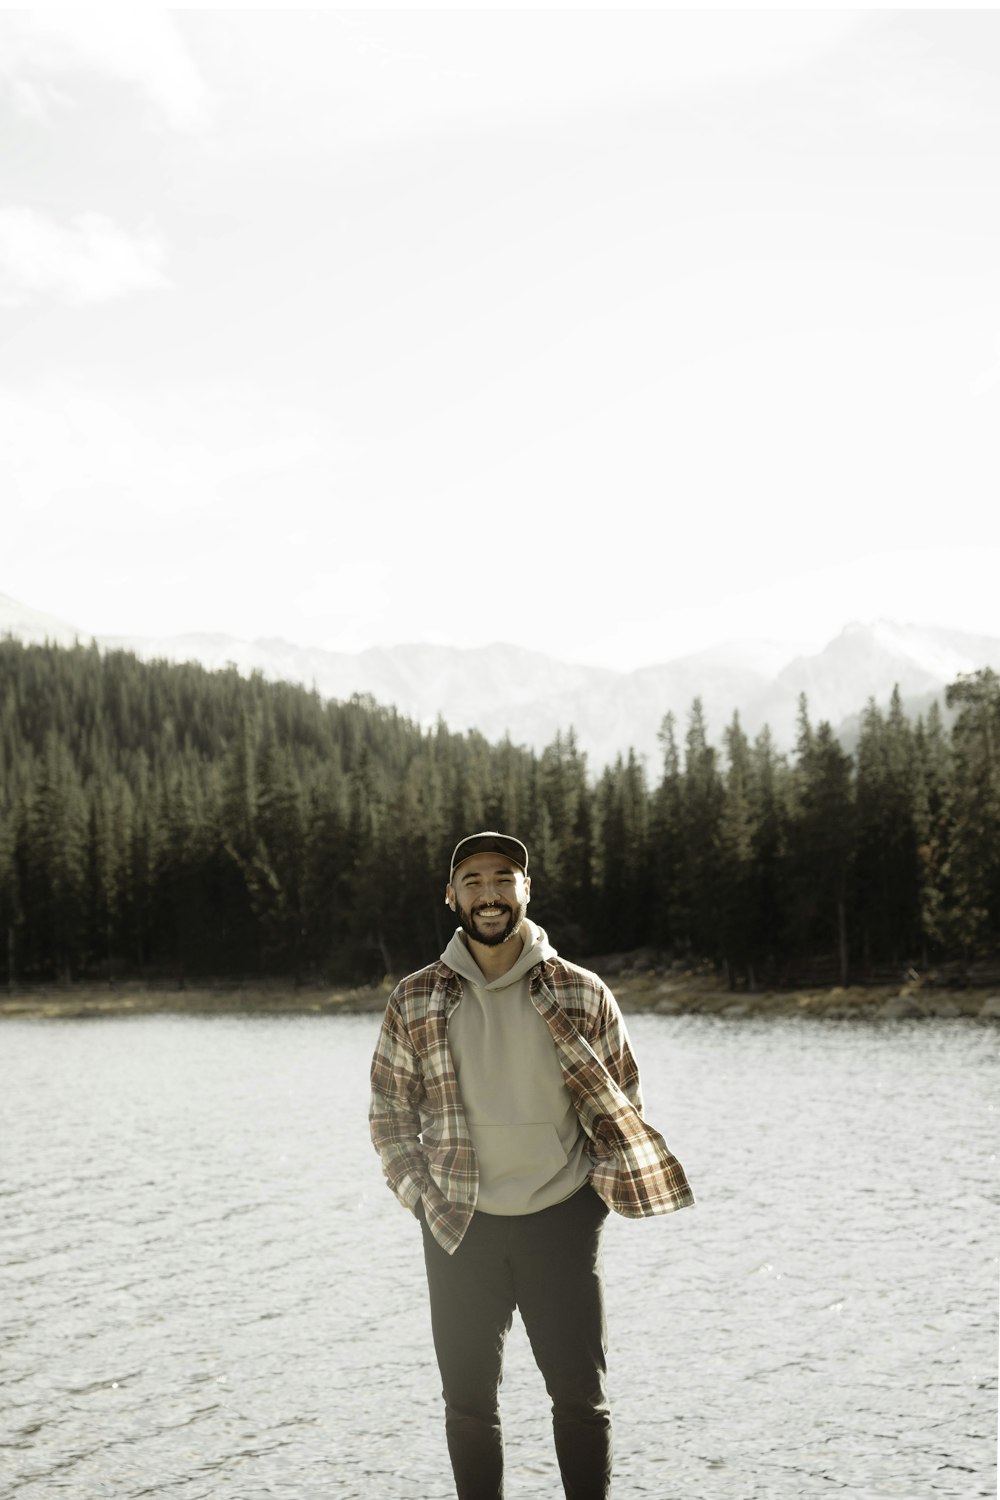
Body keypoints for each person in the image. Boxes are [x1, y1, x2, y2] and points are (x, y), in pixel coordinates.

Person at [369, 830, 694, 1500]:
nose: (489, 895)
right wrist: (424, 1199)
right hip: (459, 1224)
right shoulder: (415, 998)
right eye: (475, 881)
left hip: (560, 1223)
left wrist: (588, 1204)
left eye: (502, 879)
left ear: (525, 889)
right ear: (452, 894)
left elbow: (621, 1106)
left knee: (580, 1402)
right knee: (468, 1409)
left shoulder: (581, 991)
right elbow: (390, 1118)